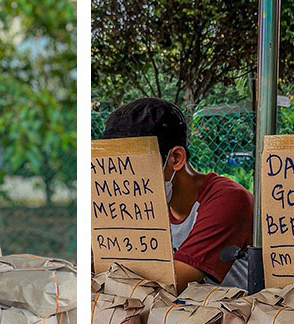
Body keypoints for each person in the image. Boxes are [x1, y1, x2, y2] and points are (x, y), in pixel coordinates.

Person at [102, 98, 254, 286]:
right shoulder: (149, 205)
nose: (124, 179)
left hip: (233, 312)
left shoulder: (228, 200)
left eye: (134, 166)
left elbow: (171, 283)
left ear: (176, 158)